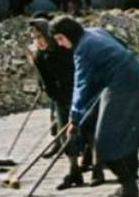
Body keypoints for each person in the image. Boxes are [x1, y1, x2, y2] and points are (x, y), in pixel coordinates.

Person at [50, 17, 139, 197]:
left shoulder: (82, 50)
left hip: (121, 83)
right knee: (126, 132)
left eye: (60, 38)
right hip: (134, 72)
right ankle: (130, 178)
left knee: (105, 140)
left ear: (68, 34)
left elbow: (81, 85)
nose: (60, 44)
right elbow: (121, 45)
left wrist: (74, 119)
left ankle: (128, 185)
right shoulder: (95, 32)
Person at [30, 19, 103, 188]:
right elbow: (47, 82)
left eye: (40, 36)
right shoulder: (40, 57)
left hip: (81, 92)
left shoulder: (65, 49)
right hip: (61, 98)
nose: (37, 41)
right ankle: (74, 171)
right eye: (34, 37)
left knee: (89, 131)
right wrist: (58, 100)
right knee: (66, 136)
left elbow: (81, 70)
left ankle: (97, 169)